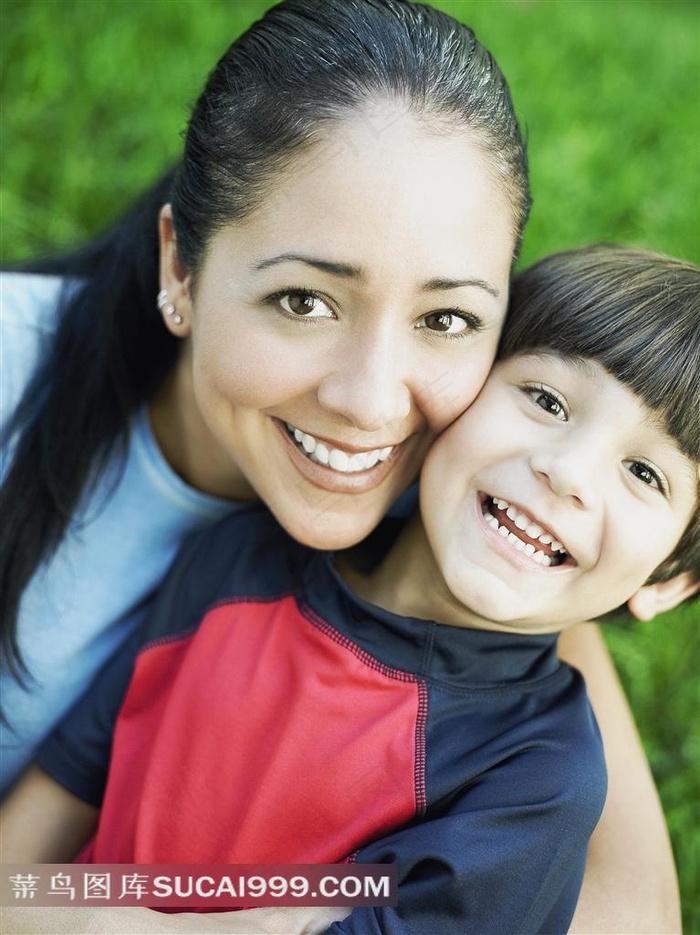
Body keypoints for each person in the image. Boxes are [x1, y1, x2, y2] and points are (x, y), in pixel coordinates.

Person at [0, 1, 682, 931]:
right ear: (181, 268)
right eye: (303, 298)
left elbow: (626, 911)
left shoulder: (498, 592)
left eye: (445, 319)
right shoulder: (221, 558)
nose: (371, 401)